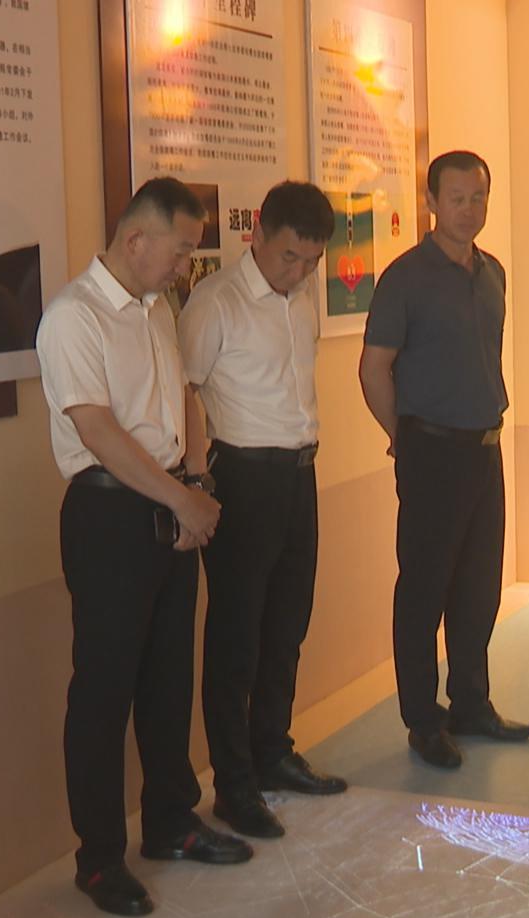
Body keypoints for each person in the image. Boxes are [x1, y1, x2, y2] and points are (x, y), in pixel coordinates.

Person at [38, 177, 252, 918]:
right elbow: (97, 430)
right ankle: (99, 858)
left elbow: (179, 400)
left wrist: (192, 479)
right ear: (136, 240)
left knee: (167, 678)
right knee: (104, 689)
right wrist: (180, 499)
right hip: (108, 515)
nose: (187, 266)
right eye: (181, 251)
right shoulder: (74, 317)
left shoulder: (159, 309)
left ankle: (170, 822)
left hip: (168, 503)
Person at [179, 181, 348, 841]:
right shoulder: (215, 302)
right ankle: (234, 783)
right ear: (256, 235)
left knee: (287, 625)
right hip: (242, 479)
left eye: (311, 260)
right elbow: (185, 390)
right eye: (288, 257)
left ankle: (273, 751)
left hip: (299, 475)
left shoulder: (302, 300)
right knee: (237, 638)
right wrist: (198, 480)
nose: (299, 272)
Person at [359, 150, 529, 771]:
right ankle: (422, 720)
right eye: (456, 198)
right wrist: (402, 437)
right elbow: (373, 369)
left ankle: (471, 704)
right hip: (430, 450)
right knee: (424, 589)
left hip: (486, 447)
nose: (469, 209)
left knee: (480, 586)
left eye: (478, 197)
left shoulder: (493, 273)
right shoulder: (405, 278)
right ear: (431, 201)